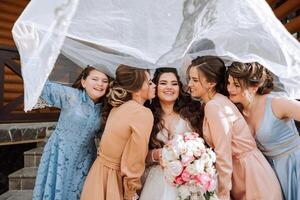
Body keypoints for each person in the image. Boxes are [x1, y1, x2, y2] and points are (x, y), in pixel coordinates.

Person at [187, 56, 282, 200]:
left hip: (251, 176)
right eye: (190, 79)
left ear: (211, 83)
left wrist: (222, 195)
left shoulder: (214, 106)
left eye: (195, 80)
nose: (189, 84)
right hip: (243, 173)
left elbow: (223, 154)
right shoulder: (215, 102)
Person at [32, 66, 111, 200]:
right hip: (59, 154)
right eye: (95, 79)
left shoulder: (104, 108)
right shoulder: (71, 96)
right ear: (83, 82)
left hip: (85, 160)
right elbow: (42, 86)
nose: (100, 84)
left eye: (104, 81)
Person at [80, 64, 156, 200]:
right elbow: (135, 158)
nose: (154, 85)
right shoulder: (142, 113)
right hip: (113, 180)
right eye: (149, 82)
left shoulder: (118, 107)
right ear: (137, 88)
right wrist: (131, 191)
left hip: (98, 173)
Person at [227, 62, 300, 200]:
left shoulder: (276, 103)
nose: (230, 88)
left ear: (254, 87)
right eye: (229, 83)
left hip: (295, 165)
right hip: (270, 173)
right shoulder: (237, 113)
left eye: (236, 85)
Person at [140, 67, 203, 200]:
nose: (169, 87)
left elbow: (205, 145)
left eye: (174, 84)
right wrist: (157, 154)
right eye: (163, 83)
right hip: (157, 179)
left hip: (189, 178)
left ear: (180, 88)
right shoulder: (147, 115)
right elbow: (137, 154)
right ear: (155, 87)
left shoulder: (192, 114)